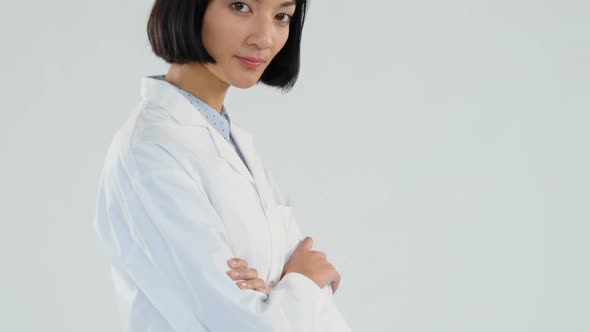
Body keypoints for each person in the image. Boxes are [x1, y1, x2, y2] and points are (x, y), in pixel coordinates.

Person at [92, 0, 351, 331]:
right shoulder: (150, 153)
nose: (265, 38)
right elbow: (247, 324)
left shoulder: (233, 140)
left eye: (281, 16)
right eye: (241, 6)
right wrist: (299, 283)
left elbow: (319, 292)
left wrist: (283, 291)